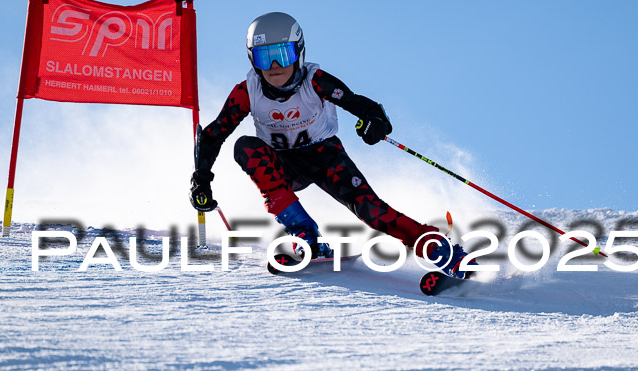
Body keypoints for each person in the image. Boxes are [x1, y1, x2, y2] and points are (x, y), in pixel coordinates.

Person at [190, 12, 473, 277]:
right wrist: (201, 179)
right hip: (282, 166)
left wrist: (374, 121)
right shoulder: (247, 91)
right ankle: (305, 236)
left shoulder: (315, 81)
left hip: (325, 158)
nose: (275, 67)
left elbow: (359, 103)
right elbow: (214, 134)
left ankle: (442, 251)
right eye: (265, 58)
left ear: (298, 52)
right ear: (252, 59)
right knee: (245, 147)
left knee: (371, 211)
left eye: (282, 55)